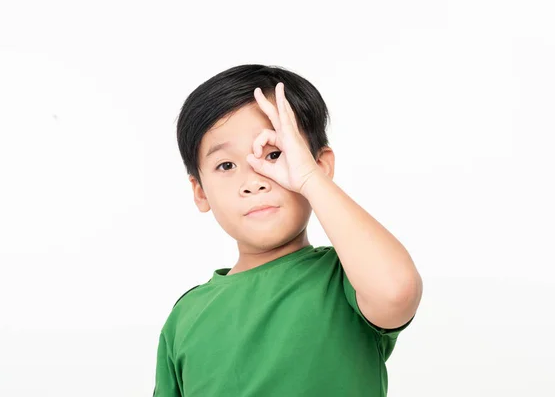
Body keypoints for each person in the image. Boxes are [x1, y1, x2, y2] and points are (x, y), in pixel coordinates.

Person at [153, 64, 423, 396]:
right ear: (200, 191)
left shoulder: (347, 280)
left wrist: (309, 179)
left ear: (318, 165)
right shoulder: (185, 317)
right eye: (226, 165)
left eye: (275, 154)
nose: (252, 182)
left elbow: (397, 290)